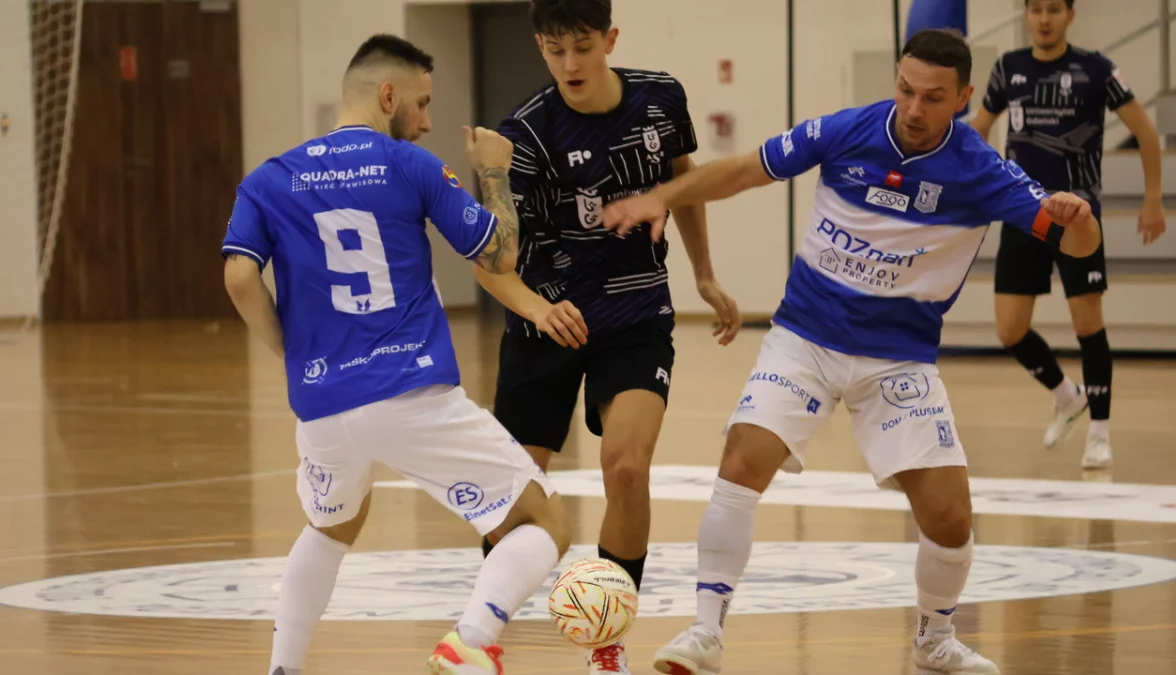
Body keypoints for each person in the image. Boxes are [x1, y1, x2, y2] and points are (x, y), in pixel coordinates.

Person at [602, 29, 1102, 675]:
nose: (914, 108)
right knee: (742, 461)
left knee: (951, 517)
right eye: (905, 89)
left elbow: (1078, 244)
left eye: (933, 97)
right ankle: (704, 631)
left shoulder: (979, 169)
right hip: (805, 338)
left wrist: (1080, 219)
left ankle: (935, 640)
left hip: (899, 357)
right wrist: (661, 197)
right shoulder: (847, 130)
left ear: (964, 98)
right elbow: (746, 168)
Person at [220, 34, 571, 675]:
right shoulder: (409, 165)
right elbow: (499, 255)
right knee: (544, 521)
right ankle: (472, 641)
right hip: (410, 392)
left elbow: (240, 278)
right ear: (388, 96)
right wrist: (495, 171)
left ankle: (282, 668)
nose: (428, 121)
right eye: (423, 103)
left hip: (322, 408)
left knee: (331, 529)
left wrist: (290, 352)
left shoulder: (269, 178)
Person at [474, 2, 740, 672]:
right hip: (545, 322)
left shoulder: (661, 99)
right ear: (540, 45)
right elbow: (491, 260)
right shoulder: (524, 134)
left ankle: (607, 643)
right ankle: (480, 638)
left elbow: (683, 184)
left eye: (583, 47)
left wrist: (705, 275)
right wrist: (538, 309)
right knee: (512, 500)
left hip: (634, 315)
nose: (569, 64)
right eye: (554, 49)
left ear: (610, 39)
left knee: (626, 466)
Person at [971, 0, 1167, 469]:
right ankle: (1066, 395)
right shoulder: (1007, 68)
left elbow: (1145, 131)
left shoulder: (1096, 69)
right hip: (1023, 213)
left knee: (1087, 324)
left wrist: (1153, 199)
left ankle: (1099, 433)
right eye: (1036, 9)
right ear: (1025, 14)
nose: (1044, 18)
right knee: (1009, 329)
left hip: (1078, 216)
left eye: (1054, 9)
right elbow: (978, 131)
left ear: (1070, 15)